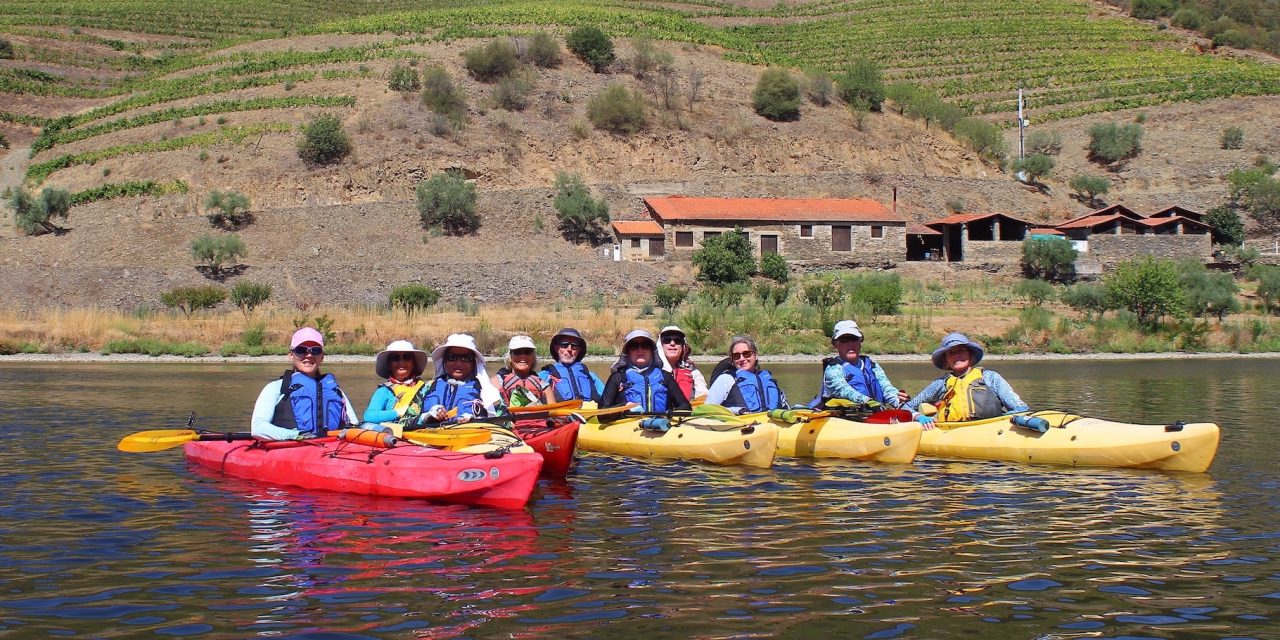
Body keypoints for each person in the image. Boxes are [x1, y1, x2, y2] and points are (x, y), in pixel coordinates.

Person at [251, 327, 358, 440]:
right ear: (291, 355)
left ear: (322, 357)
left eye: (315, 350)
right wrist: (294, 435)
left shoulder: (336, 391)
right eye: (301, 350)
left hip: (330, 450)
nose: (309, 355)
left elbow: (354, 425)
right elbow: (258, 428)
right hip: (289, 450)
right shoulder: (276, 388)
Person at [905, 332, 1029, 427]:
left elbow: (1021, 408)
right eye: (951, 353)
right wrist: (919, 417)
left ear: (970, 355)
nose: (957, 355)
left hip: (990, 430)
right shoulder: (940, 384)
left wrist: (1004, 420)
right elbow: (906, 408)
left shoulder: (990, 378)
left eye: (961, 350)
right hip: (951, 432)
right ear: (946, 360)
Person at [814, 320, 909, 409]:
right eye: (844, 340)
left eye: (854, 339)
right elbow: (843, 391)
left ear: (860, 341)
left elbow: (887, 388)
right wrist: (868, 402)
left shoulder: (873, 366)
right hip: (846, 418)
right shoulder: (833, 369)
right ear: (835, 344)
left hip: (875, 415)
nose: (850, 344)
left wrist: (898, 400)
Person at [418, 333, 504, 424]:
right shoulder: (427, 388)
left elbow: (507, 423)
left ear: (474, 363)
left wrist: (477, 419)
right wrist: (424, 417)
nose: (458, 363)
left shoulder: (487, 391)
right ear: (444, 361)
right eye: (452, 357)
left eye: (466, 358)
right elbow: (404, 421)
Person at [600, 329, 691, 413]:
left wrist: (670, 414)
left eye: (645, 345)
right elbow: (602, 413)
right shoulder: (617, 378)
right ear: (627, 353)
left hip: (661, 426)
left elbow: (685, 406)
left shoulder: (665, 376)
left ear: (652, 351)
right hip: (627, 428)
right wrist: (623, 407)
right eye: (634, 346)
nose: (640, 350)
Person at [705, 334, 788, 413]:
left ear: (755, 356)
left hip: (769, 424)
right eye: (736, 356)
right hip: (740, 424)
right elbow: (707, 409)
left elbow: (785, 407)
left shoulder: (767, 378)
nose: (742, 359)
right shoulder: (726, 379)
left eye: (747, 354)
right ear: (732, 360)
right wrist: (737, 411)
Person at [361, 340, 430, 428]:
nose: (401, 362)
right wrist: (398, 412)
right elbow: (369, 416)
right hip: (396, 434)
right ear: (389, 365)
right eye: (395, 358)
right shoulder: (384, 391)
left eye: (407, 357)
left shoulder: (426, 388)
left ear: (413, 364)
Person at [539, 327, 604, 402]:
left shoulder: (591, 376)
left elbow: (607, 397)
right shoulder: (543, 376)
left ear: (579, 350)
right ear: (557, 348)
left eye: (574, 346)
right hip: (560, 413)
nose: (569, 349)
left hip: (589, 413)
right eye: (564, 345)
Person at [492, 335, 553, 407]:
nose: (523, 356)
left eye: (528, 352)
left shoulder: (543, 385)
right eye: (517, 352)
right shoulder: (497, 382)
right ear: (510, 357)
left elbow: (555, 412)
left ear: (533, 357)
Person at [657, 325, 707, 401]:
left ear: (683, 346)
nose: (672, 343)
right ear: (661, 345)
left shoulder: (693, 372)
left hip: (686, 411)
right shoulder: (651, 371)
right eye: (667, 340)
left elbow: (704, 396)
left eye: (677, 341)